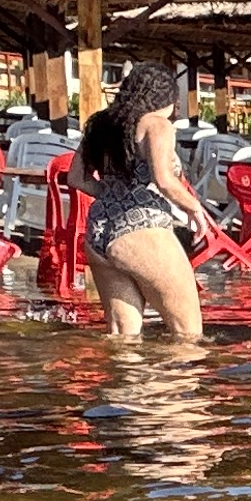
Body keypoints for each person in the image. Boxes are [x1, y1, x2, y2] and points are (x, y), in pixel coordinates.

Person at [76, 58, 207, 344]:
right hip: (142, 228)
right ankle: (178, 388)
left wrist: (114, 196)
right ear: (166, 97)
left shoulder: (101, 123)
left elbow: (77, 178)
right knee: (188, 334)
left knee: (122, 338)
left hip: (99, 231)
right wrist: (195, 208)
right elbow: (164, 180)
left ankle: (128, 388)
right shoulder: (156, 124)